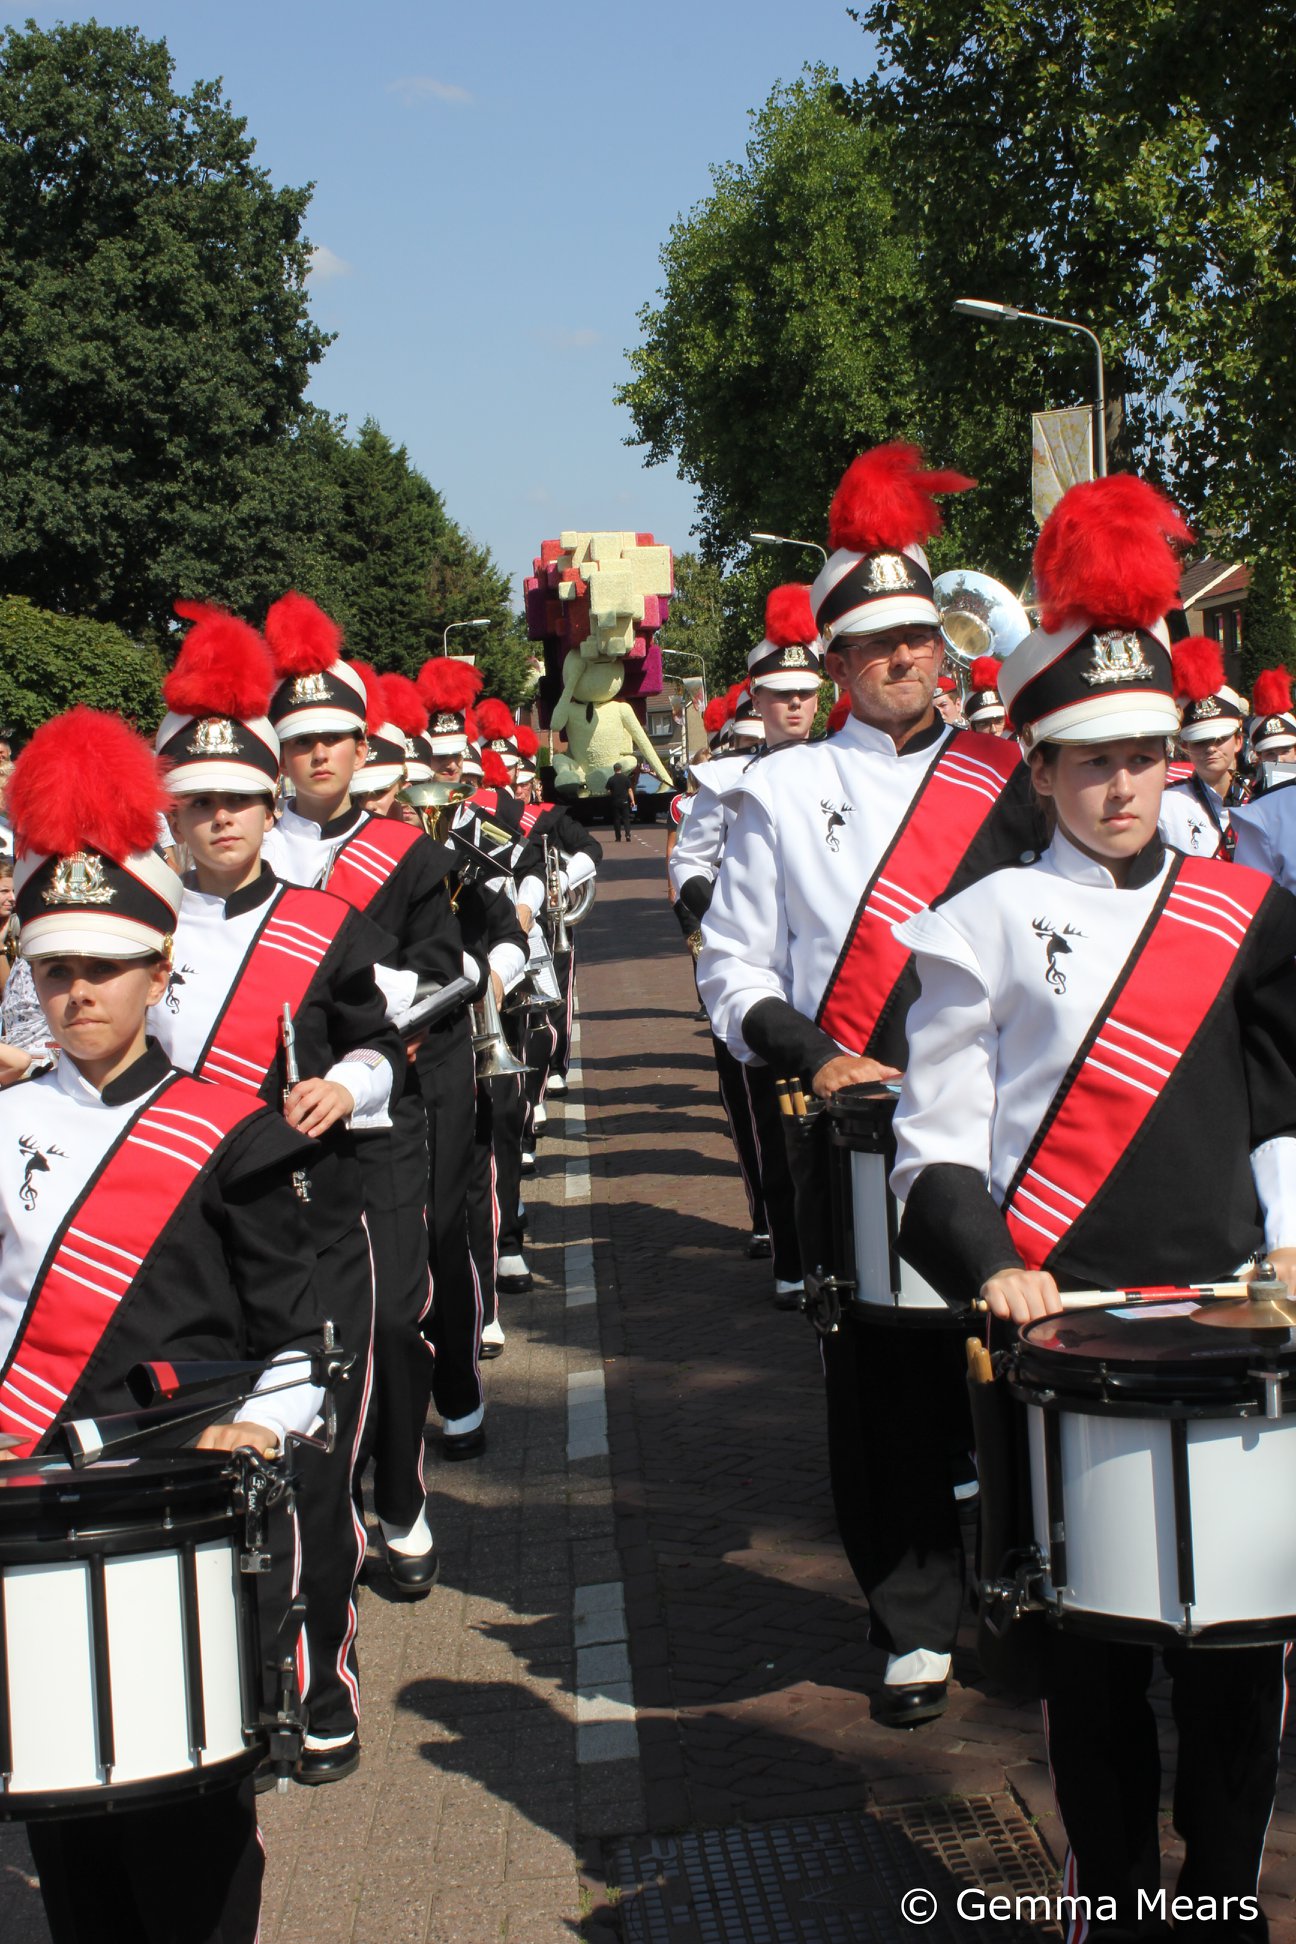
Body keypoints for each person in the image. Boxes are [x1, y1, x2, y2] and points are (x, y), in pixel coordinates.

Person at [890, 473, 1296, 1944]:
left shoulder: (1246, 914)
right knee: (1092, 1666)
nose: (1123, 787)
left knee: (1243, 1663)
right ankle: (1117, 1901)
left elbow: (1283, 1106)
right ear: (1040, 767)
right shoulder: (979, 925)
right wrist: (994, 1265)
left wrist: (1291, 1239)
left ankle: (1223, 1902)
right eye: (1090, 763)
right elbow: (932, 1152)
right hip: (1064, 1337)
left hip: (1230, 1326)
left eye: (1143, 756)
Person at [697, 444, 1041, 1727]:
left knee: (1017, 1363)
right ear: (836, 662)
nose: (904, 658)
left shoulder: (1010, 778)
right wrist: (811, 1051)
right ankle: (912, 1622)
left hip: (1004, 1124)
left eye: (918, 638)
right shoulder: (780, 788)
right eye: (876, 643)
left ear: (944, 649)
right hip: (855, 1124)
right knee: (884, 1386)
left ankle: (1031, 1590)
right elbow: (731, 967)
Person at [2, 705, 325, 1944]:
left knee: (189, 1837)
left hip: (175, 1509)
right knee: (67, 1836)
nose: (77, 993)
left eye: (103, 968)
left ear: (158, 970)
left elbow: (303, 1336)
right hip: (34, 1502)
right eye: (55, 971)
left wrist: (256, 1429)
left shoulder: (229, 1135)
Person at [1159, 638, 1250, 858]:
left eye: (1219, 739)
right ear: (1185, 746)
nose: (1210, 748)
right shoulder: (1166, 805)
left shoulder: (1261, 797)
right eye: (1199, 741)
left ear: (1238, 741)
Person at [607, 759, 635, 841]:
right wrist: (633, 800)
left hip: (615, 801)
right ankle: (628, 835)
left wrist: (612, 793)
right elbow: (630, 790)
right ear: (621, 769)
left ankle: (618, 837)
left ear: (614, 769)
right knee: (626, 819)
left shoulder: (611, 779)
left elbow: (608, 791)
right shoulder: (626, 778)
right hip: (625, 801)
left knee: (617, 819)